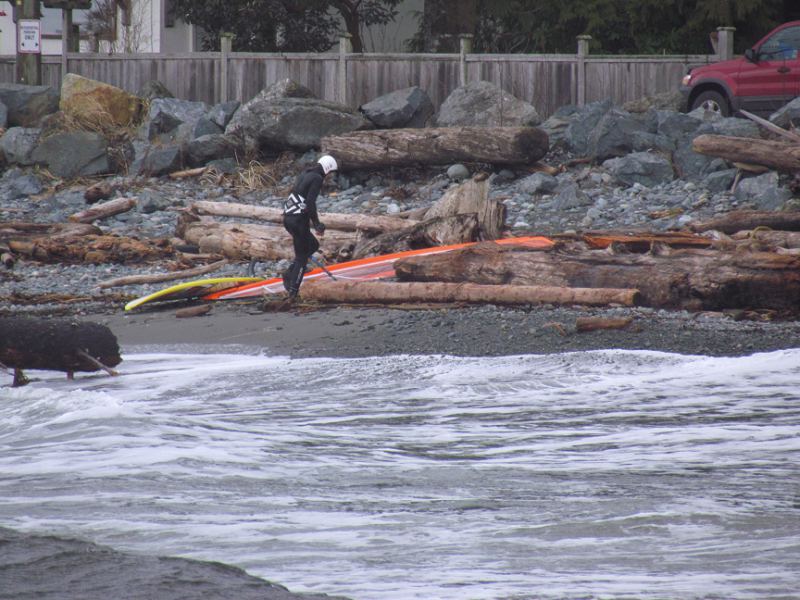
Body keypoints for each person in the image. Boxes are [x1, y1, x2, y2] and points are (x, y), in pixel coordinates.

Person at [282, 154, 338, 298]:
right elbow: (310, 204)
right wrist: (317, 224)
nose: (329, 176)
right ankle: (292, 294)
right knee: (301, 258)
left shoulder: (306, 174)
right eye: (330, 173)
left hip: (288, 219)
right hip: (298, 221)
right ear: (327, 169)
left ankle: (290, 273)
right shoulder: (317, 178)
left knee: (313, 245)